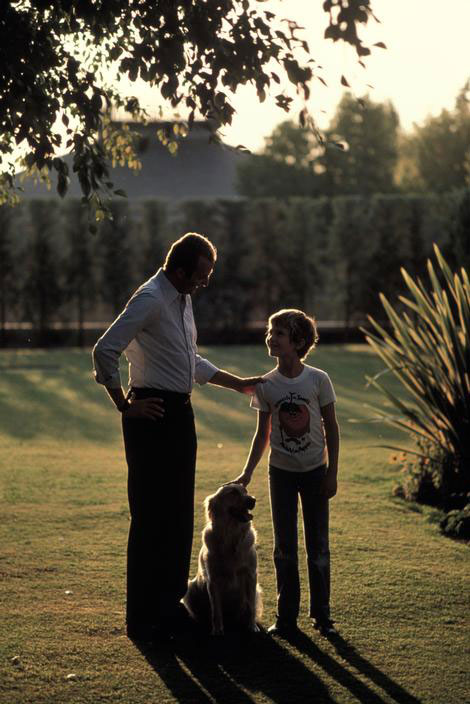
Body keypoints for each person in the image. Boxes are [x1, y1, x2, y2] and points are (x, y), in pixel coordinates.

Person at [92, 232, 262, 643]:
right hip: (150, 413)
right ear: (180, 269)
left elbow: (191, 362)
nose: (204, 284)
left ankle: (169, 609)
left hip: (180, 415)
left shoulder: (182, 301)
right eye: (200, 276)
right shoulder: (150, 299)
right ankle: (142, 619)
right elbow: (104, 350)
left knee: (178, 518)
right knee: (151, 518)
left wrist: (238, 384)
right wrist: (124, 404)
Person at [232, 308, 340, 637]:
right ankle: (287, 618)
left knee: (318, 547)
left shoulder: (318, 379)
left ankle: (322, 617)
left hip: (314, 472)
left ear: (299, 341)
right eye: (270, 331)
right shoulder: (266, 385)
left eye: (278, 333)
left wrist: (332, 472)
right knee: (284, 548)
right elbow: (262, 433)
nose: (270, 337)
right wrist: (247, 472)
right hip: (280, 473)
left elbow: (332, 428)